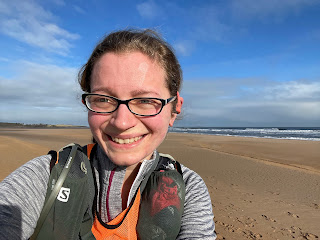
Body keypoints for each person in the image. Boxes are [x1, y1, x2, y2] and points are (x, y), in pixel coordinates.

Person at [0, 29, 216, 239]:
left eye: (145, 101)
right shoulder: (49, 176)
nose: (122, 122)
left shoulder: (187, 189)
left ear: (174, 109)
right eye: (103, 99)